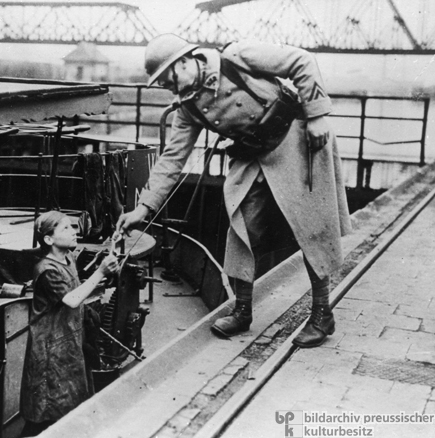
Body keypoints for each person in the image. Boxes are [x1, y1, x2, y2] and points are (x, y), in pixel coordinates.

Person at [116, 34, 351, 348]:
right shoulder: (188, 108)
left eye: (168, 80)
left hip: (296, 140)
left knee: (311, 227)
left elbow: (301, 60)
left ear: (185, 61)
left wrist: (318, 115)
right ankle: (242, 311)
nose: (168, 88)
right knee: (241, 227)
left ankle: (322, 313)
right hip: (253, 153)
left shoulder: (237, 57)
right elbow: (172, 159)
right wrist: (143, 209)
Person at [20, 211, 120, 437]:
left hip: (69, 345)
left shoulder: (69, 259)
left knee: (67, 408)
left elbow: (77, 289)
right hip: (49, 352)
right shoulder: (46, 269)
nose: (74, 232)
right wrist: (101, 271)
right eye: (65, 228)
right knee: (43, 414)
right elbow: (72, 299)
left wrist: (106, 274)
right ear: (48, 240)